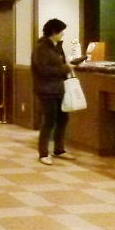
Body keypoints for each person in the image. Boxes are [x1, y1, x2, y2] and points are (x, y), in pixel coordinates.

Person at [31, 19, 75, 165]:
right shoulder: (41, 48)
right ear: (54, 32)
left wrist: (66, 66)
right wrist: (65, 68)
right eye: (61, 32)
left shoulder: (56, 47)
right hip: (46, 89)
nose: (63, 34)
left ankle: (59, 149)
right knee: (49, 120)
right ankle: (43, 153)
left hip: (58, 88)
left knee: (63, 118)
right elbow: (43, 70)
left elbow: (60, 64)